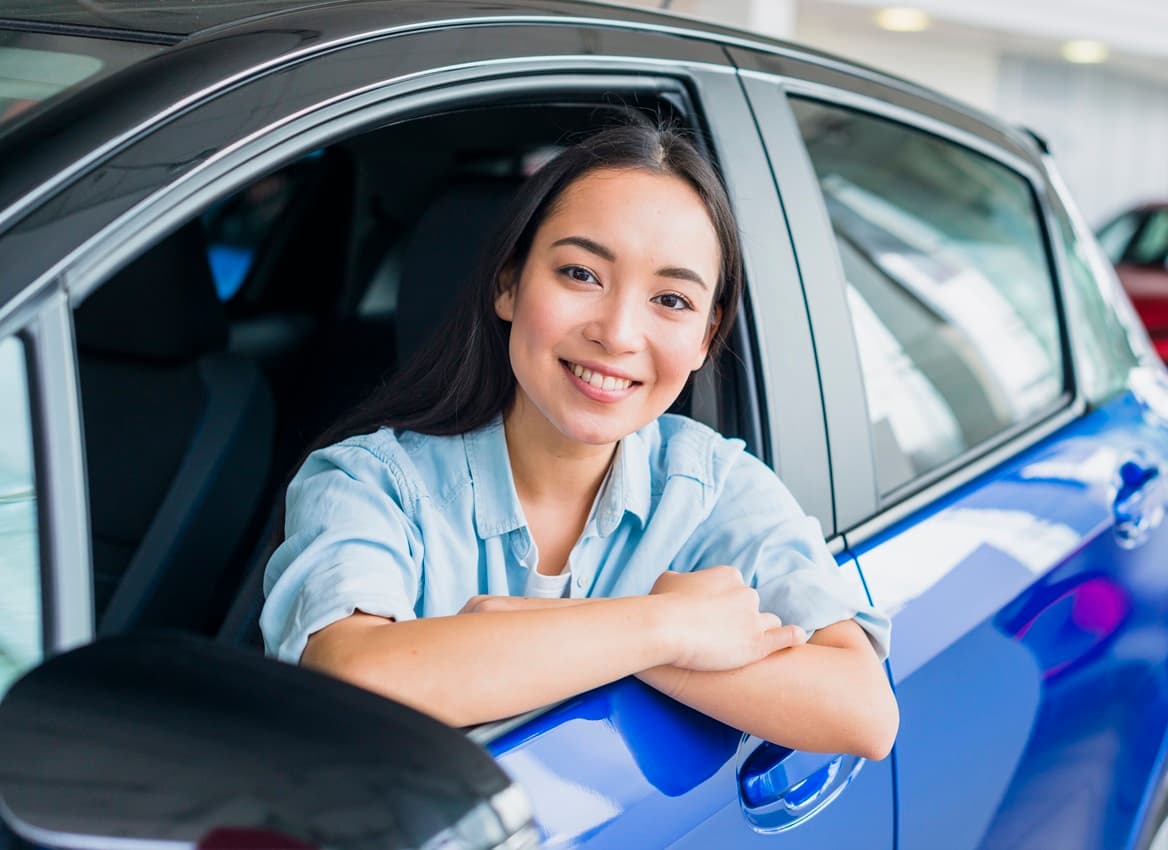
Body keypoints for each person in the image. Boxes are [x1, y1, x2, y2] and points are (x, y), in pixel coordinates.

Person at [260, 121, 898, 759]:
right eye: (581, 274)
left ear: (706, 338)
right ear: (508, 285)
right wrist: (666, 627)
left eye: (671, 299)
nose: (618, 333)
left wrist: (551, 633)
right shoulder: (368, 482)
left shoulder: (712, 486)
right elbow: (355, 676)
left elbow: (864, 713)